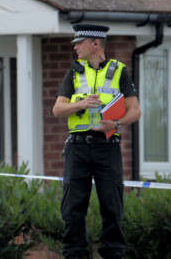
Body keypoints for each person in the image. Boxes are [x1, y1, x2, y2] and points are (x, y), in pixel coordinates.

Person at [52, 24, 141, 259]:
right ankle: (73, 255)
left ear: (96, 44)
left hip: (107, 146)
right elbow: (58, 109)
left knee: (112, 206)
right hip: (77, 147)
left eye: (79, 42)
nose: (75, 47)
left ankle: (114, 255)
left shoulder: (119, 71)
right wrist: (80, 104)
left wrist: (117, 124)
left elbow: (135, 111)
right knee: (72, 207)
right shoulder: (73, 72)